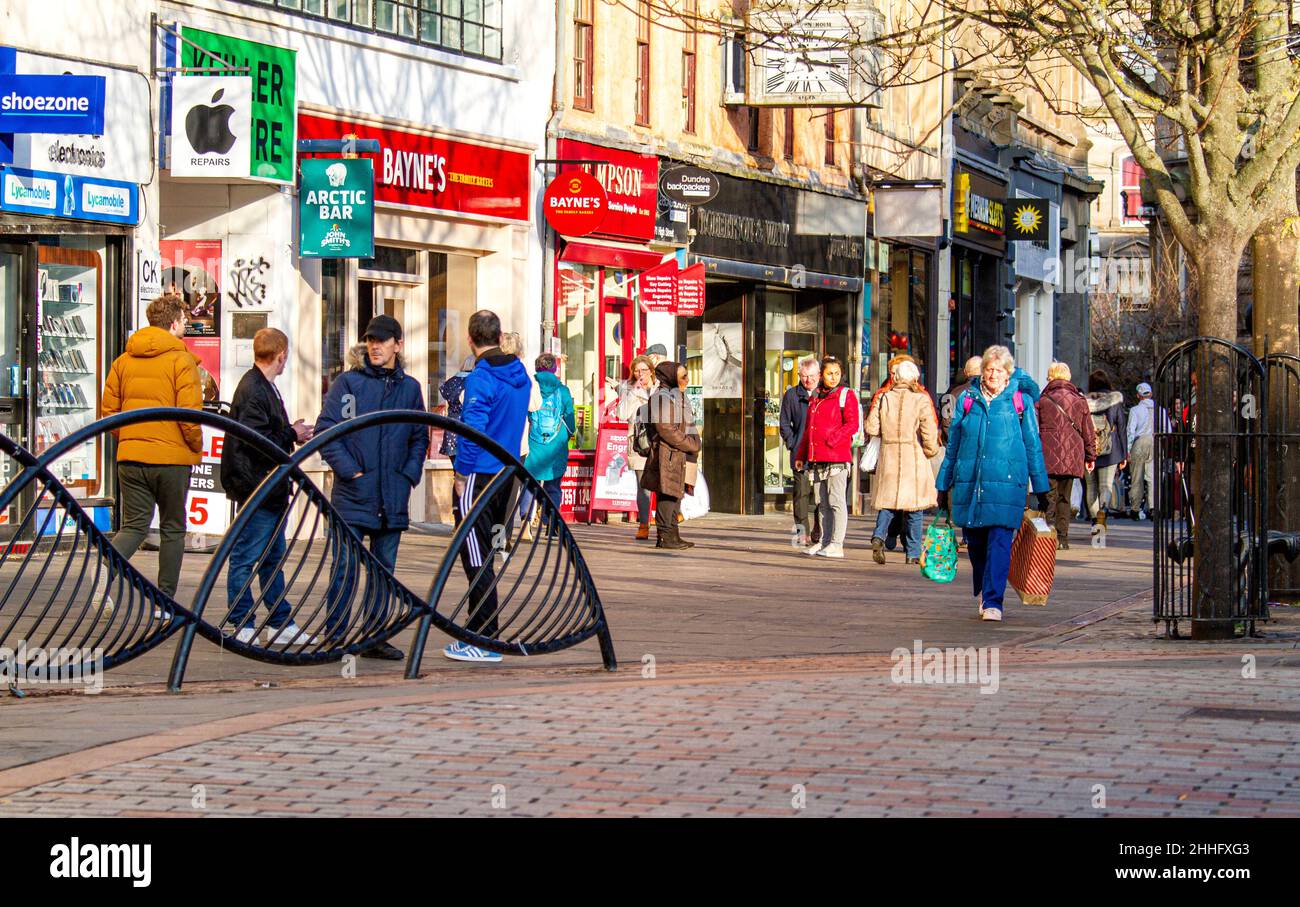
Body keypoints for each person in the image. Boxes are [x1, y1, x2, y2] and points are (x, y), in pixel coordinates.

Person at [315, 314, 428, 660]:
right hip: (353, 495)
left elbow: (419, 436)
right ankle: (335, 636)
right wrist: (351, 473)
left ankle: (374, 637)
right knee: (345, 569)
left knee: (384, 571)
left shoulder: (410, 389)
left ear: (398, 344)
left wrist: (407, 475)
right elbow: (327, 432)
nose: (375, 346)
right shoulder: (348, 383)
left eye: (381, 340)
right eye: (370, 340)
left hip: (392, 494)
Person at [100, 294, 203, 604]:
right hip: (172, 459)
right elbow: (189, 417)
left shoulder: (123, 360)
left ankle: (105, 571)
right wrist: (195, 446)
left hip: (131, 457)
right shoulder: (182, 360)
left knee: (133, 526)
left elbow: (109, 413)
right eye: (184, 322)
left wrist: (130, 438)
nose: (186, 327)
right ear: (173, 324)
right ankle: (164, 601)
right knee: (173, 528)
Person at [936, 345, 1050, 622]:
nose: (993, 375)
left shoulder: (1019, 403)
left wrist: (1041, 487)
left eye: (999, 370)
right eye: (989, 369)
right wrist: (943, 483)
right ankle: (985, 590)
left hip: (1008, 485)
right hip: (972, 483)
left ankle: (993, 601)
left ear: (1008, 373)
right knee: (975, 545)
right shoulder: (967, 400)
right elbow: (954, 446)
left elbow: (1033, 445)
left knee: (999, 542)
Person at [446, 309, 532, 662]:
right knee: (486, 553)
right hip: (508, 473)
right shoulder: (522, 376)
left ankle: (485, 637)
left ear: (470, 339)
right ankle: (476, 628)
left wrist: (461, 474)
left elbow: (472, 432)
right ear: (499, 337)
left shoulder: (481, 378)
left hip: (480, 474)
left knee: (475, 556)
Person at [220, 328, 315, 644]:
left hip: (269, 486)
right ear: (282, 355)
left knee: (273, 556)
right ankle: (242, 621)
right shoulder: (255, 389)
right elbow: (256, 440)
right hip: (257, 485)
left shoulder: (263, 387)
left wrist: (289, 432)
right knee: (247, 555)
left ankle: (279, 619)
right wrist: (292, 434)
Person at [866, 359, 940, 564]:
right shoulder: (921, 400)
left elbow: (872, 427)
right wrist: (930, 450)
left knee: (888, 503)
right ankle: (913, 553)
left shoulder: (883, 398)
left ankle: (878, 536)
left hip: (889, 454)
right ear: (914, 378)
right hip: (912, 456)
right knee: (915, 508)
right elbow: (929, 431)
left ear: (896, 377)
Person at [794, 355, 860, 559]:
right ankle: (824, 541)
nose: (833, 377)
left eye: (837, 373)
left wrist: (834, 439)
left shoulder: (845, 395)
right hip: (817, 456)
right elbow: (808, 430)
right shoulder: (816, 396)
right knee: (822, 502)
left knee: (836, 500)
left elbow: (853, 424)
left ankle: (836, 543)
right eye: (829, 373)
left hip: (836, 456)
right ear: (822, 374)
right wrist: (801, 454)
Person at [640, 360, 701, 550]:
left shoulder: (678, 396)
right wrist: (689, 443)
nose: (687, 379)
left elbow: (687, 423)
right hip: (667, 454)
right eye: (683, 376)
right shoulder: (661, 397)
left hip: (679, 453)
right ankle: (665, 536)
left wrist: (694, 442)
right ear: (671, 376)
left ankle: (673, 535)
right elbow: (665, 428)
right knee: (667, 495)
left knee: (676, 495)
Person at [1036, 361, 1096, 549]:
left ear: (1050, 377)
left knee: (1049, 496)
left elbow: (1035, 430)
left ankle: (1048, 534)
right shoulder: (1079, 400)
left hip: (1048, 455)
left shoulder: (1043, 400)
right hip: (1072, 455)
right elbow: (1088, 430)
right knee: (1065, 497)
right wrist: (1090, 456)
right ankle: (1063, 539)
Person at [520, 353, 575, 536]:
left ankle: (525, 522)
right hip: (556, 444)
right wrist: (566, 436)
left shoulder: (529, 387)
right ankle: (550, 525)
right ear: (554, 369)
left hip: (533, 441)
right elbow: (570, 420)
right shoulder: (563, 390)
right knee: (553, 486)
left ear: (537, 368)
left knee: (529, 483)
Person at [780, 356, 820, 546]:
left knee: (822, 496)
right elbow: (784, 424)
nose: (808, 380)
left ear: (819, 375)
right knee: (801, 495)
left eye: (812, 376)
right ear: (799, 375)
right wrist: (792, 443)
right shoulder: (792, 395)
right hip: (800, 452)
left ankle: (819, 529)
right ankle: (802, 532)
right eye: (804, 376)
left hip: (822, 452)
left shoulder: (825, 394)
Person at [1084, 369, 1128, 535]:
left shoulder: (1083, 401)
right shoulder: (1114, 400)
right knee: (1106, 486)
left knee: (1091, 487)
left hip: (1088, 450)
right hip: (1111, 450)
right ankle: (1103, 513)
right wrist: (1124, 453)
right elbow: (1122, 426)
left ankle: (1095, 521)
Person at [620, 354, 656, 540]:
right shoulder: (629, 388)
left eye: (644, 370)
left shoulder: (660, 388)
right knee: (643, 486)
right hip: (639, 443)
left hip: (659, 441)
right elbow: (622, 414)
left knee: (664, 483)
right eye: (636, 370)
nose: (640, 373)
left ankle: (667, 521)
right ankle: (644, 524)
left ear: (651, 371)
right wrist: (634, 392)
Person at [1126, 381, 1158, 519]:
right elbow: (1167, 430)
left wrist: (1127, 450)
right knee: (1152, 477)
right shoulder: (1160, 410)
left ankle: (1135, 508)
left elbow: (1130, 431)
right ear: (1150, 394)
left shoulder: (1135, 410)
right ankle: (1154, 508)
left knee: (1136, 477)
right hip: (1156, 441)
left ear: (1138, 396)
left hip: (1139, 443)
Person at [438, 354, 477, 461]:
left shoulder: (451, 382)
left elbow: (445, 394)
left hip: (452, 428)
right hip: (469, 429)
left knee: (457, 472)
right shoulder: (475, 381)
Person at [939, 356, 982, 445]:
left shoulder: (953, 393)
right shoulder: (991, 393)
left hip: (959, 447)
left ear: (965, 373)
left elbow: (947, 423)